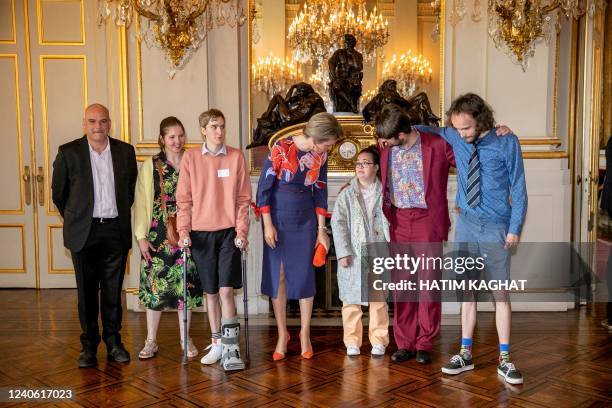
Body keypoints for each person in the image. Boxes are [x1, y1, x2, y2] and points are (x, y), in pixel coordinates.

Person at [415, 93, 527, 385]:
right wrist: (406, 128)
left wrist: (514, 229)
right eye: (457, 128)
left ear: (481, 119)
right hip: (465, 225)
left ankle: (504, 359)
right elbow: (431, 130)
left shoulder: (506, 142)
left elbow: (519, 187)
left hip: (496, 227)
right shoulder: (454, 134)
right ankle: (465, 353)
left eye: (466, 128)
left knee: (500, 294)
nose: (461, 134)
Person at [51, 103, 137, 368]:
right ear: (84, 124)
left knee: (112, 291)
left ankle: (114, 343)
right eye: (92, 121)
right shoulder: (69, 152)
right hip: (83, 233)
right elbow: (59, 194)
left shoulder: (125, 151)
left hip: (114, 230)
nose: (97, 126)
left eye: (102, 121)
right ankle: (88, 347)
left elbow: (129, 190)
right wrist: (77, 219)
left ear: (109, 123)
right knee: (86, 294)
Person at [256, 112, 343, 360]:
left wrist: (321, 229)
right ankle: (283, 334)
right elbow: (264, 189)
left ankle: (305, 333)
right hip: (278, 219)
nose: (331, 148)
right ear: (316, 138)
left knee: (305, 274)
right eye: (329, 143)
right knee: (279, 275)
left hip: (305, 219)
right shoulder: (280, 148)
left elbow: (320, 191)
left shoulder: (321, 154)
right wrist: (267, 225)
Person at [375, 104, 455, 365]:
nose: (382, 143)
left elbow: (468, 154)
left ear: (402, 133)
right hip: (398, 220)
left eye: (387, 139)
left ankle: (425, 342)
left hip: (427, 221)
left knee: (428, 284)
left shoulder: (438, 145)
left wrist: (494, 133)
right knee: (403, 285)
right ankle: (405, 342)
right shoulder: (386, 148)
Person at [176, 109, 251, 371]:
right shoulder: (191, 157)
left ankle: (232, 348)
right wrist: (183, 232)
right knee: (210, 292)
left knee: (226, 290)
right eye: (214, 126)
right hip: (201, 234)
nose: (219, 131)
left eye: (222, 126)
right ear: (204, 130)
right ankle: (217, 342)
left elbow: (243, 201)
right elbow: (184, 200)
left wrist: (242, 232)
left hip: (229, 232)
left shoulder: (236, 157)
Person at [134, 116, 204, 359]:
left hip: (189, 232)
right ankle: (150, 340)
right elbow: (142, 202)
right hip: (158, 234)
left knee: (184, 286)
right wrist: (141, 236)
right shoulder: (150, 166)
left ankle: (186, 339)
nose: (177, 141)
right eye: (172, 136)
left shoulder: (194, 162)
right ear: (162, 139)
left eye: (181, 135)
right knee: (155, 288)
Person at [331, 146, 390, 357]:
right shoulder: (347, 194)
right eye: (358, 163)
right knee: (351, 300)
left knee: (378, 300)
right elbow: (338, 224)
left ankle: (379, 339)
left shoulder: (386, 193)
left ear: (376, 167)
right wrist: (343, 252)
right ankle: (352, 341)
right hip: (354, 255)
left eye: (365, 163)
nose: (360, 167)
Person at [328, 34, 363, 113]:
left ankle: (352, 106)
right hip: (340, 78)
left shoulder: (358, 55)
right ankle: (351, 105)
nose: (346, 44)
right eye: (346, 42)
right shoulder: (339, 53)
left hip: (353, 78)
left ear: (352, 43)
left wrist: (353, 56)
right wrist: (333, 79)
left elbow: (359, 67)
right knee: (336, 87)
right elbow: (331, 63)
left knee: (356, 86)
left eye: (348, 42)